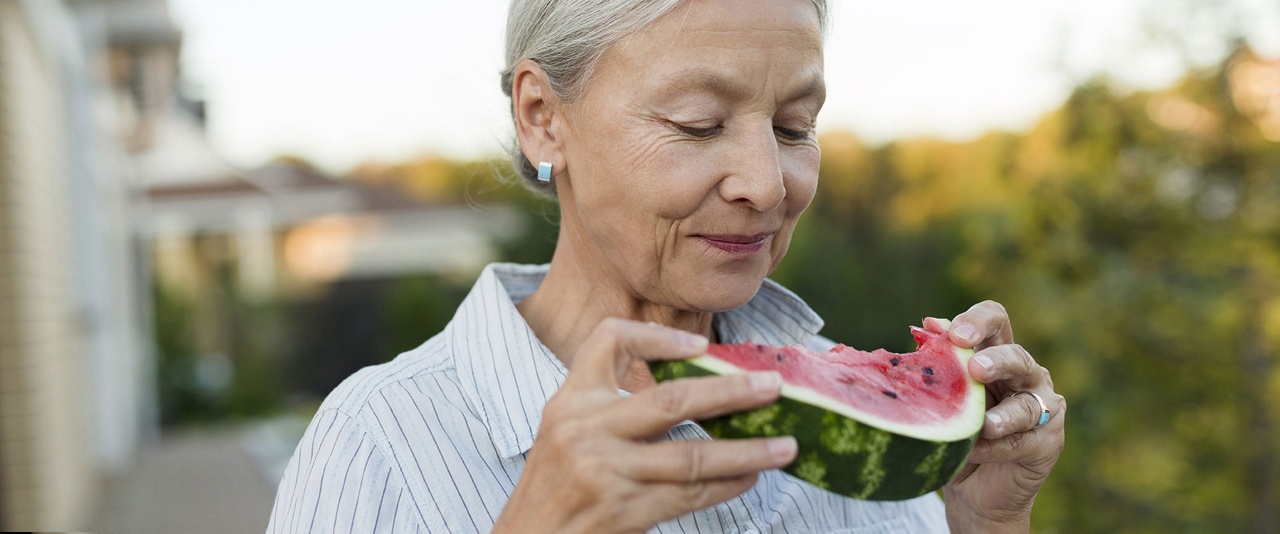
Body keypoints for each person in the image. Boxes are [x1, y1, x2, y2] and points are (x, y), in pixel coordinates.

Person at [267, 0, 1066, 531]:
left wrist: (987, 524)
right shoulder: (379, 444)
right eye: (697, 123)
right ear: (542, 119)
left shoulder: (868, 441)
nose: (766, 185)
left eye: (794, 127)